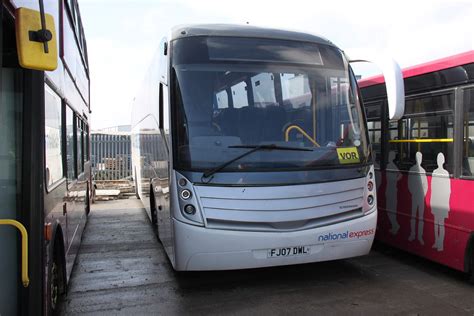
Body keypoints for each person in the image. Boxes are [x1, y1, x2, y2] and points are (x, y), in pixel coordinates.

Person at [430, 153, 451, 251]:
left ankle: (441, 244)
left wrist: (446, 204)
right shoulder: (434, 172)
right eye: (438, 159)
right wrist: (431, 202)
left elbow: (448, 190)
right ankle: (436, 242)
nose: (439, 161)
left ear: (442, 161)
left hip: (442, 202)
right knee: (436, 223)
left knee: (441, 224)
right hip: (436, 201)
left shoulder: (446, 173)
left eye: (440, 159)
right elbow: (432, 188)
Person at [407, 152, 428, 245]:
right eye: (418, 158)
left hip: (420, 196)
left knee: (420, 218)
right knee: (413, 216)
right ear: (416, 159)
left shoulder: (423, 171)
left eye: (421, 158)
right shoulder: (412, 169)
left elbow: (425, 185)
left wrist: (423, 194)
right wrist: (414, 193)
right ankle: (412, 234)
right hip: (415, 196)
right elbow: (409, 184)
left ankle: (419, 236)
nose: (420, 160)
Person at [386, 151, 401, 235]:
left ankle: (395, 225)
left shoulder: (390, 166)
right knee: (391, 209)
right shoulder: (393, 166)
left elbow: (398, 175)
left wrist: (394, 180)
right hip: (392, 189)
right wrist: (396, 179)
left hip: (391, 190)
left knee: (390, 209)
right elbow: (400, 175)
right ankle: (394, 225)